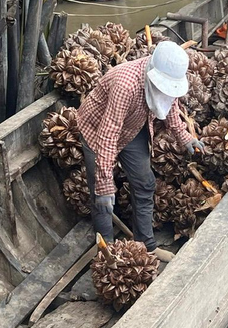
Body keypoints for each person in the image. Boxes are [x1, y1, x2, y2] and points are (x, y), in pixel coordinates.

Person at [76, 41, 204, 262]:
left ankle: (147, 246)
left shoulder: (166, 81)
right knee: (102, 196)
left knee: (145, 184)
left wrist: (184, 137)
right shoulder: (125, 85)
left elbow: (170, 105)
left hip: (133, 127)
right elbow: (108, 133)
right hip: (97, 128)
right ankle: (107, 254)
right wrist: (106, 184)